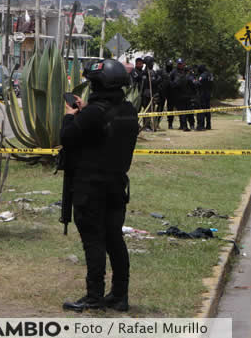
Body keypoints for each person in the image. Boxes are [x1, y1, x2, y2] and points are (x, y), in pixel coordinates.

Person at [60, 59, 139, 312]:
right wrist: (86, 111)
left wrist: (70, 116)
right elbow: (101, 134)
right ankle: (119, 295)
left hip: (91, 186)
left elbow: (68, 137)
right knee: (115, 239)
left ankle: (94, 296)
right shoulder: (128, 110)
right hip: (116, 185)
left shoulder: (94, 113)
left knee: (93, 241)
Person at [169, 59, 191, 131]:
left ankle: (185, 125)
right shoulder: (174, 72)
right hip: (178, 95)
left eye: (181, 64)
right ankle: (183, 125)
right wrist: (174, 85)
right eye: (179, 64)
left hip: (186, 94)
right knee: (181, 110)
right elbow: (169, 81)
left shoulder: (186, 71)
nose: (180, 65)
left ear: (184, 64)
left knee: (187, 111)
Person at [140, 56, 161, 131]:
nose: (152, 64)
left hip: (153, 93)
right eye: (151, 63)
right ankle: (146, 125)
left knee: (152, 110)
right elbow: (149, 83)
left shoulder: (153, 72)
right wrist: (157, 80)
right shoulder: (145, 72)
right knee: (147, 110)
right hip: (147, 94)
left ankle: (151, 124)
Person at [156, 59, 173, 129]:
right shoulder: (161, 71)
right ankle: (156, 123)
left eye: (170, 65)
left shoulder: (173, 72)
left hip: (171, 93)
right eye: (168, 65)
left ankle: (170, 124)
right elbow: (157, 81)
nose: (169, 66)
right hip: (161, 93)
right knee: (160, 108)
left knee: (170, 109)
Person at [196, 65, 213, 130]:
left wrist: (195, 81)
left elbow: (198, 83)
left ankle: (201, 125)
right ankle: (208, 125)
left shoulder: (203, 75)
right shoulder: (210, 75)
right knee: (207, 110)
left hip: (202, 95)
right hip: (208, 94)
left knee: (201, 110)